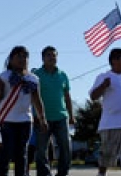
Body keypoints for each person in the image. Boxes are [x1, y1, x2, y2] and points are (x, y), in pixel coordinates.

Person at [0, 46, 47, 176]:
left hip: (25, 120)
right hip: (7, 120)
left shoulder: (33, 78)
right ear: (11, 59)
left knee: (21, 153)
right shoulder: (4, 76)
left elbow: (37, 100)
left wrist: (42, 118)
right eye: (19, 56)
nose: (22, 59)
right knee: (6, 151)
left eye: (25, 56)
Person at [33, 46, 75, 176]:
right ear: (43, 58)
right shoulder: (36, 75)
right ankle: (44, 173)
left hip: (61, 117)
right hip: (42, 118)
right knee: (41, 149)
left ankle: (62, 172)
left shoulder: (63, 75)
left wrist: (71, 115)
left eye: (54, 55)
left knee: (66, 147)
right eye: (49, 55)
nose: (52, 58)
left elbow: (67, 97)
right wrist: (38, 116)